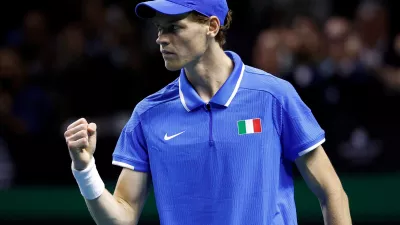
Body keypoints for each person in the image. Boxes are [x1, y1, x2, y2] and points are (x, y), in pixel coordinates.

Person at [64, 0, 352, 224]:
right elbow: (122, 217)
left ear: (212, 27)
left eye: (174, 27)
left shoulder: (274, 97)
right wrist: (85, 169)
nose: (161, 39)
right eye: (159, 29)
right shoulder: (147, 115)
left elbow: (331, 192)